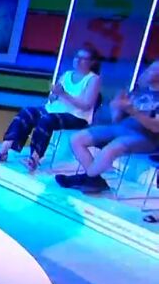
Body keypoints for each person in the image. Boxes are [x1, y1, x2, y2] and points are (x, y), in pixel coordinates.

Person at [0, 46, 101, 171]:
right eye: (77, 57)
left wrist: (63, 94)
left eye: (83, 58)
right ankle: (3, 151)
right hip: (54, 109)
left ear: (92, 62)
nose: (78, 60)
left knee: (47, 120)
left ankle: (34, 159)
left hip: (76, 116)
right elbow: (56, 96)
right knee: (27, 112)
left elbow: (86, 105)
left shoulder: (93, 79)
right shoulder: (67, 75)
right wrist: (54, 95)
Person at [56, 61, 159, 193]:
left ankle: (89, 177)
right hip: (122, 128)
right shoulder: (139, 91)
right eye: (150, 68)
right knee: (77, 138)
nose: (149, 71)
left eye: (154, 69)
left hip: (146, 137)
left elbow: (155, 127)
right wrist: (116, 108)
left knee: (111, 149)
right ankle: (93, 180)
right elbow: (117, 120)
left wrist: (133, 111)